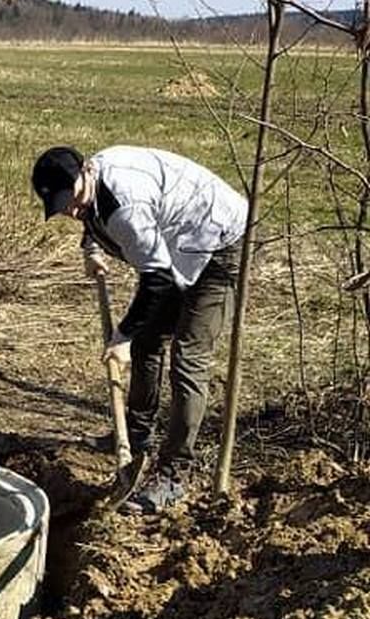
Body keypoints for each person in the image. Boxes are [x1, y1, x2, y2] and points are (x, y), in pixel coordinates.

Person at [31, 145, 247, 514]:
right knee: (149, 342)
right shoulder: (92, 186)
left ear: (86, 170)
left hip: (219, 240)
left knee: (188, 358)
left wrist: (122, 336)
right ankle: (134, 438)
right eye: (63, 206)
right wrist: (92, 247)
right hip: (178, 241)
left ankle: (175, 474)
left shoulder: (125, 206)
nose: (70, 209)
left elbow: (158, 279)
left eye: (71, 198)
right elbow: (91, 212)